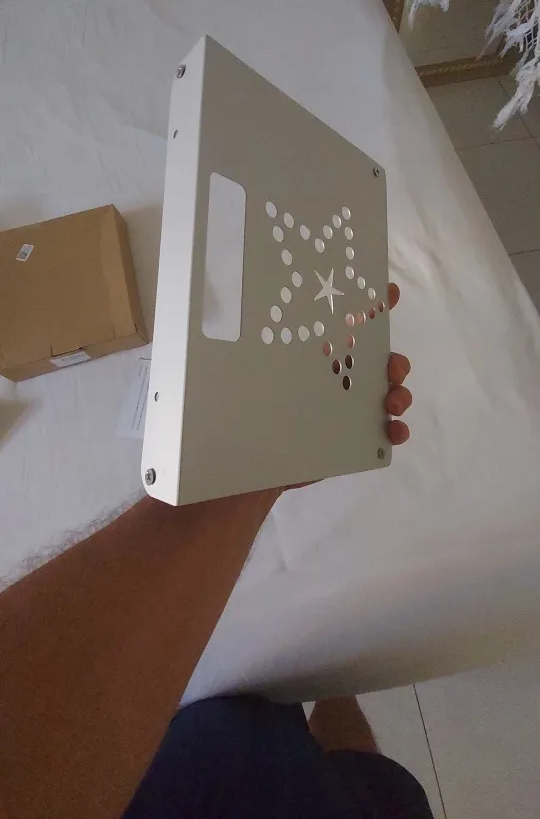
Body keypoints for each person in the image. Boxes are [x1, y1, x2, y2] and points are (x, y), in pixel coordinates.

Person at [0, 284, 423, 819]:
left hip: (200, 749)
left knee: (250, 723)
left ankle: (332, 689)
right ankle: (335, 692)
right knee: (363, 784)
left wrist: (250, 461)